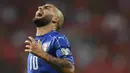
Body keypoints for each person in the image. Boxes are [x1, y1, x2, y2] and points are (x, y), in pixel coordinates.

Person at [24, 4, 75, 73]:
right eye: (40, 7)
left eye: (47, 8)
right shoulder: (35, 43)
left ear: (55, 19)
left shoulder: (58, 38)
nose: (40, 7)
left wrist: (43, 54)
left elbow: (69, 69)